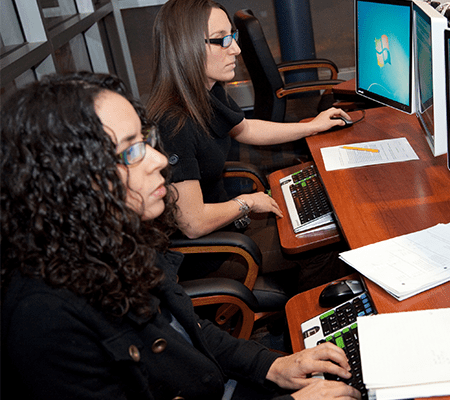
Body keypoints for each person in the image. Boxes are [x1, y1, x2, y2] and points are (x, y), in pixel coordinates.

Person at [0, 72, 361, 400]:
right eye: (130, 152)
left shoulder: (115, 241)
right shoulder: (45, 322)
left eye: (146, 141)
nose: (158, 159)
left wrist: (270, 366)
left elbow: (187, 333)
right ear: (72, 181)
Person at [147, 0, 351, 289]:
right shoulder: (173, 124)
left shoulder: (206, 91)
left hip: (229, 227)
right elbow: (193, 223)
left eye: (233, 36)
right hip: (214, 254)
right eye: (222, 40)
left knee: (323, 225)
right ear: (188, 47)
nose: (236, 49)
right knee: (330, 246)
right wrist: (247, 203)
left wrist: (311, 126)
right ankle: (301, 320)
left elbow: (246, 129)